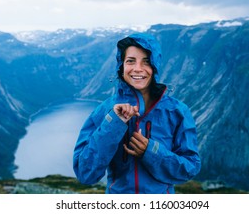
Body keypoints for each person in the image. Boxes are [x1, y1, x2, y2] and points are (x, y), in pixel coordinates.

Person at [73, 33, 201, 194]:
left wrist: (151, 151)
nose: (138, 68)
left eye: (146, 61)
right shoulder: (105, 112)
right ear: (122, 66)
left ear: (155, 66)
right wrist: (113, 123)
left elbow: (190, 167)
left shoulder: (177, 112)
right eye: (130, 61)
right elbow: (85, 173)